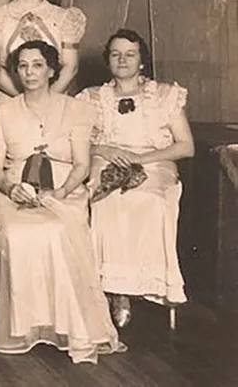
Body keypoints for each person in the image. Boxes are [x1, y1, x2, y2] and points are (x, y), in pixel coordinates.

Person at [0, 40, 124, 364]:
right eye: (23, 66)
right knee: (15, 235)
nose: (30, 72)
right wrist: (11, 188)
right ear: (16, 72)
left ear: (51, 70)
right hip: (14, 192)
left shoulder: (77, 110)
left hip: (65, 191)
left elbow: (81, 165)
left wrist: (59, 194)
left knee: (58, 232)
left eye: (37, 65)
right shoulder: (0, 113)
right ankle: (21, 327)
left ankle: (64, 325)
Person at [77, 29, 194, 326]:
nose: (122, 60)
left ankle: (143, 284)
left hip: (154, 163)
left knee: (148, 202)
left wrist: (141, 158)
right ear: (108, 61)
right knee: (106, 203)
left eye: (130, 54)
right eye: (115, 54)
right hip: (106, 160)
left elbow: (186, 146)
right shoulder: (91, 98)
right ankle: (116, 291)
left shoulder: (165, 95)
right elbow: (73, 141)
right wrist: (103, 147)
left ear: (142, 61)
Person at [0, 0, 86, 106]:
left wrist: (45, 100)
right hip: (7, 100)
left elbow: (71, 67)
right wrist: (25, 101)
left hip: (54, 100)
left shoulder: (64, 17)